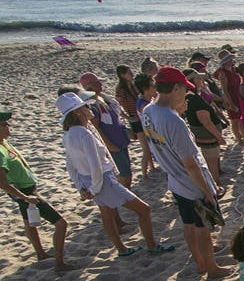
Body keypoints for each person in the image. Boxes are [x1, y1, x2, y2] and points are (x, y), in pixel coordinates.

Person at [140, 67, 231, 277]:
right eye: (184, 89)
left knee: (188, 223)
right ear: (175, 88)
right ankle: (211, 268)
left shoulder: (148, 111)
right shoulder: (174, 122)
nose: (186, 94)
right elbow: (190, 163)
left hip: (174, 180)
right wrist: (207, 191)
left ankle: (199, 261)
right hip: (190, 182)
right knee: (203, 227)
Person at [57, 92, 172, 258]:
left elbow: (71, 165)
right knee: (144, 210)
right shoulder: (84, 133)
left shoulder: (68, 135)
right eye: (85, 107)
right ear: (77, 112)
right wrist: (95, 188)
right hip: (102, 180)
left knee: (107, 214)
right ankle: (151, 245)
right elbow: (95, 164)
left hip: (90, 180)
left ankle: (122, 249)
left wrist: (82, 187)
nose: (90, 109)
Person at [0, 109, 75, 271]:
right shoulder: (0, 151)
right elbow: (3, 184)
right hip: (26, 193)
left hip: (27, 191)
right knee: (61, 224)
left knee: (29, 223)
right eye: (4, 124)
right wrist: (26, 198)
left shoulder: (4, 142)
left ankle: (40, 253)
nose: (8, 126)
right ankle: (59, 263)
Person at [79, 71, 133, 186]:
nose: (101, 85)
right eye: (98, 83)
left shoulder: (103, 99)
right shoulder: (91, 104)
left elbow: (115, 119)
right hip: (112, 143)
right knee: (124, 173)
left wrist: (127, 131)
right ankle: (124, 198)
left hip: (120, 139)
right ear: (90, 86)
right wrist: (109, 145)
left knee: (126, 170)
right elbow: (95, 128)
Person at [182, 67, 227, 189]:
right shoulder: (194, 99)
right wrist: (219, 137)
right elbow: (206, 122)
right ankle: (216, 185)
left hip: (204, 135)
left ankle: (214, 184)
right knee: (211, 162)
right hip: (207, 136)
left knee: (211, 160)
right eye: (198, 78)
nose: (201, 80)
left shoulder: (192, 96)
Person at [115, 64, 155, 179]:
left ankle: (151, 167)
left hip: (139, 116)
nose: (131, 74)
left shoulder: (132, 85)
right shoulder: (121, 89)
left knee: (149, 144)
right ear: (122, 75)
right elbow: (117, 106)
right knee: (145, 148)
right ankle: (144, 173)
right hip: (135, 119)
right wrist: (128, 117)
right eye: (128, 72)